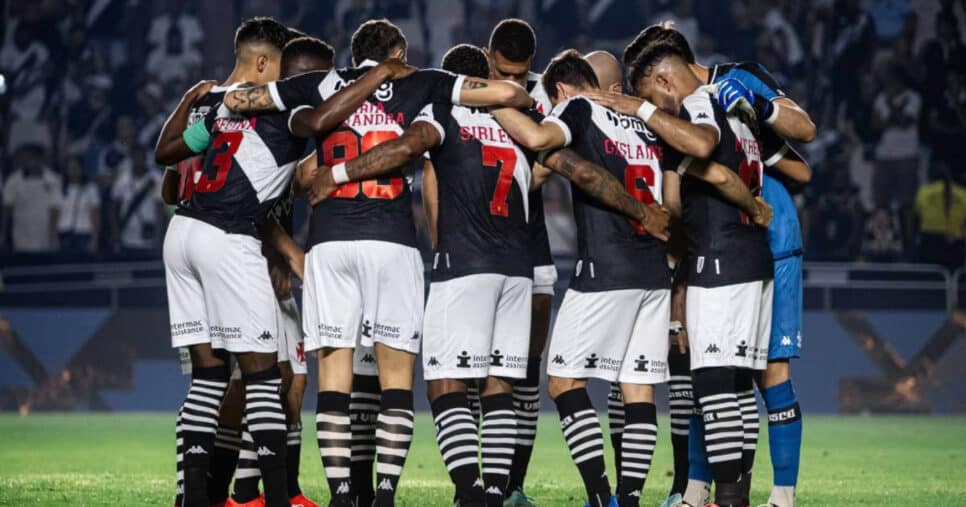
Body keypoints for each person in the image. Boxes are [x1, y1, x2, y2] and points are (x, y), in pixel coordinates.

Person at [307, 44, 670, 507]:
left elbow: (406, 147)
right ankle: (497, 491)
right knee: (499, 383)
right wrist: (641, 210)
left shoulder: (443, 109)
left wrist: (337, 174)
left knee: (444, 381)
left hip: (466, 265)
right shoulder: (520, 123)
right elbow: (576, 169)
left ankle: (469, 491)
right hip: (518, 269)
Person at [220, 18, 535, 507]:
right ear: (399, 51)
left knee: (333, 381)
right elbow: (510, 97)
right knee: (395, 383)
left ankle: (344, 496)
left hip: (330, 242)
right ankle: (384, 495)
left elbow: (238, 100)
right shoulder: (425, 81)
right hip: (393, 242)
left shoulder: (323, 82)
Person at [619, 23, 815, 507]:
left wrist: (760, 110)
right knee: (728, 376)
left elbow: (804, 141)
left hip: (762, 240)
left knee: (759, 374)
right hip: (737, 243)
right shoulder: (709, 114)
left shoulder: (727, 88)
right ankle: (707, 491)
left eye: (648, 93)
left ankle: (772, 494)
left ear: (667, 75)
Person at [152, 17, 293, 507]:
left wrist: (190, 97)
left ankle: (191, 501)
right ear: (261, 62)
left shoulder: (209, 105)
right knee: (262, 376)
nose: (282, 78)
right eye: (279, 67)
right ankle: (275, 499)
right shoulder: (276, 108)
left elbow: (165, 157)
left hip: (181, 234)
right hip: (227, 237)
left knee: (208, 378)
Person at [483, 19, 554, 506]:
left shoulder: (543, 95)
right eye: (504, 71)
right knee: (476, 370)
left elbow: (555, 148)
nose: (513, 81)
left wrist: (525, 182)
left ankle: (514, 485)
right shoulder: (466, 87)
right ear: (488, 56)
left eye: (521, 73)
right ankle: (477, 482)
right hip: (476, 248)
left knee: (527, 371)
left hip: (533, 248)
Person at [1, 144, 61, 255]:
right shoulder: (13, 181)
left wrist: (53, 236)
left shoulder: (53, 179)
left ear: (41, 159)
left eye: (35, 158)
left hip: (45, 238)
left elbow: (55, 209)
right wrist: (3, 235)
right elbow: (7, 209)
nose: (31, 161)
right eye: (28, 157)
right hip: (21, 237)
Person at [111, 146, 164, 256]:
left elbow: (160, 210)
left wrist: (159, 238)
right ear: (131, 158)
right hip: (127, 237)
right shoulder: (122, 180)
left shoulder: (156, 178)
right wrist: (116, 234)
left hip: (150, 237)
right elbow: (114, 209)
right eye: (136, 157)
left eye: (141, 157)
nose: (138, 159)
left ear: (145, 158)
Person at [57, 156, 101, 255]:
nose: (73, 171)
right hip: (64, 233)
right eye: (70, 168)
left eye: (76, 168)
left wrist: (94, 239)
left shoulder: (90, 188)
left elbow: (95, 215)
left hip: (84, 234)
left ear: (82, 169)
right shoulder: (59, 188)